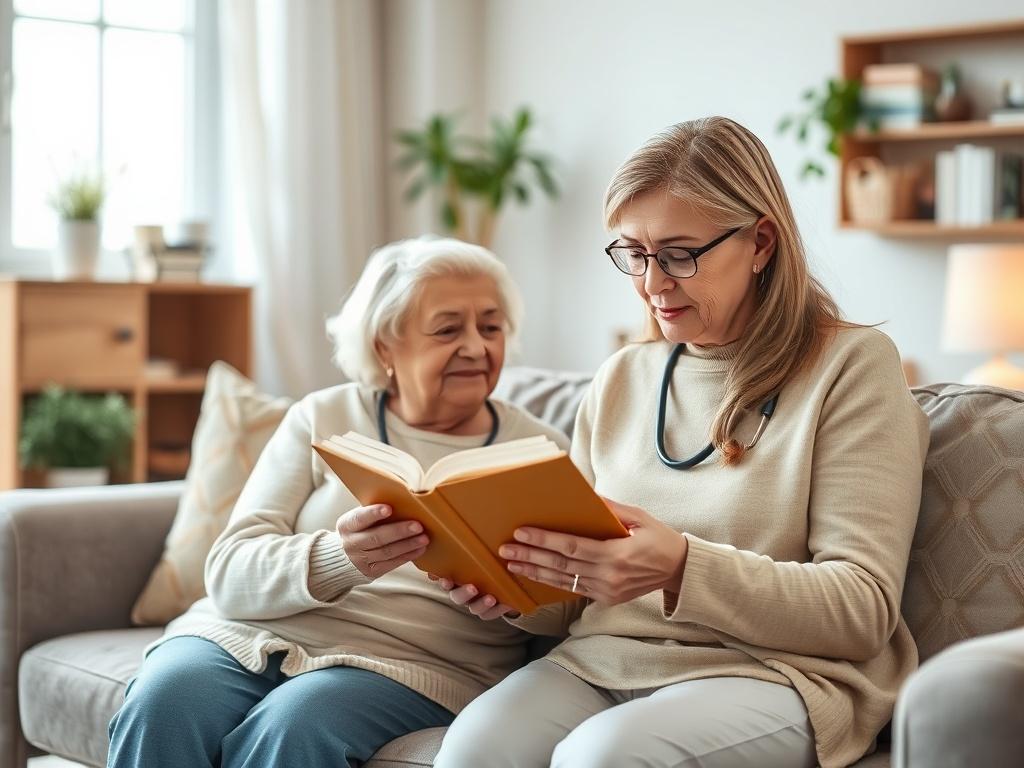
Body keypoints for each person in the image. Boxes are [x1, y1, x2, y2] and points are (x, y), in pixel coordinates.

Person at [434, 117, 929, 768]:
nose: (651, 284)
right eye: (633, 254)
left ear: (761, 242)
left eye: (678, 254)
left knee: (601, 758)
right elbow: (577, 601)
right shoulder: (623, 377)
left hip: (774, 673)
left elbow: (860, 608)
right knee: (473, 749)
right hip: (600, 660)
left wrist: (681, 567)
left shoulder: (852, 366)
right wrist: (513, 593)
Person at [106, 235, 569, 768]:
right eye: (448, 329)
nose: (476, 347)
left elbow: (570, 610)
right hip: (245, 634)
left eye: (490, 327)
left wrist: (514, 596)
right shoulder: (320, 417)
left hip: (413, 665)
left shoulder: (541, 450)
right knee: (165, 701)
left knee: (295, 726)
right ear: (384, 346)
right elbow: (229, 573)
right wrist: (339, 558)